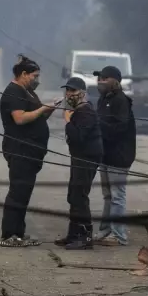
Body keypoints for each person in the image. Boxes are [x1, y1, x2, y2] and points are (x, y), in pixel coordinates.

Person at [0, 55, 61, 247]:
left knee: (24, 193)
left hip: (33, 151)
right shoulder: (13, 92)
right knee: (17, 192)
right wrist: (42, 109)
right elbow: (20, 118)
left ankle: (19, 232)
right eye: (35, 76)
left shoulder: (27, 92)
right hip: (20, 150)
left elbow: (36, 118)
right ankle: (9, 235)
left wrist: (48, 109)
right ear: (23, 74)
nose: (37, 80)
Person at [54, 77, 103, 250]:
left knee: (79, 196)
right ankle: (74, 234)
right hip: (79, 158)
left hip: (87, 158)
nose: (69, 94)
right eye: (67, 91)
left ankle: (84, 237)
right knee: (73, 195)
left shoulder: (86, 111)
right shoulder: (79, 111)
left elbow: (78, 137)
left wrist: (68, 120)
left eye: (73, 91)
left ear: (82, 93)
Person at [93, 65, 136, 246]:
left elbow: (120, 128)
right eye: (99, 78)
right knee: (108, 195)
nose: (100, 82)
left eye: (104, 78)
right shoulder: (103, 99)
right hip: (106, 154)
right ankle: (106, 230)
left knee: (117, 195)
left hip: (119, 155)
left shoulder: (121, 101)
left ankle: (119, 236)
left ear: (114, 81)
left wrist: (98, 125)